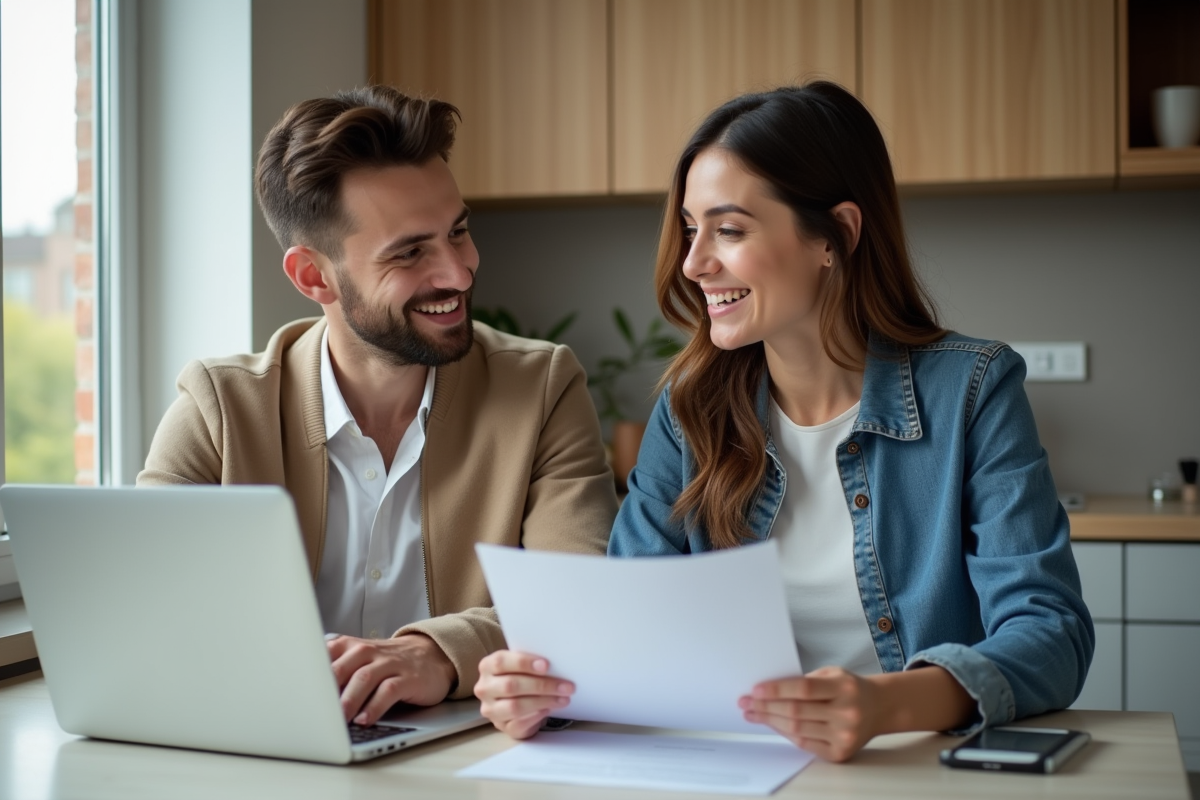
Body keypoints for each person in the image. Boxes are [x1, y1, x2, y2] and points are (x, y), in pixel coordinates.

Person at [473, 82, 1094, 762]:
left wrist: (887, 702)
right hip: (730, 767)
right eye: (690, 228)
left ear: (837, 236)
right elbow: (630, 634)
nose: (693, 262)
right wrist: (543, 691)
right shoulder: (690, 410)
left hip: (912, 768)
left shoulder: (971, 390)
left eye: (729, 230)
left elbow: (1050, 633)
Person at [138, 86, 618, 727]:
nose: (459, 272)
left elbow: (580, 604)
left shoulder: (540, 389)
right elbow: (148, 615)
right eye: (410, 251)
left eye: (459, 232)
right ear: (314, 277)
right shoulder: (219, 407)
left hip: (466, 761)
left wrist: (436, 656)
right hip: (270, 752)